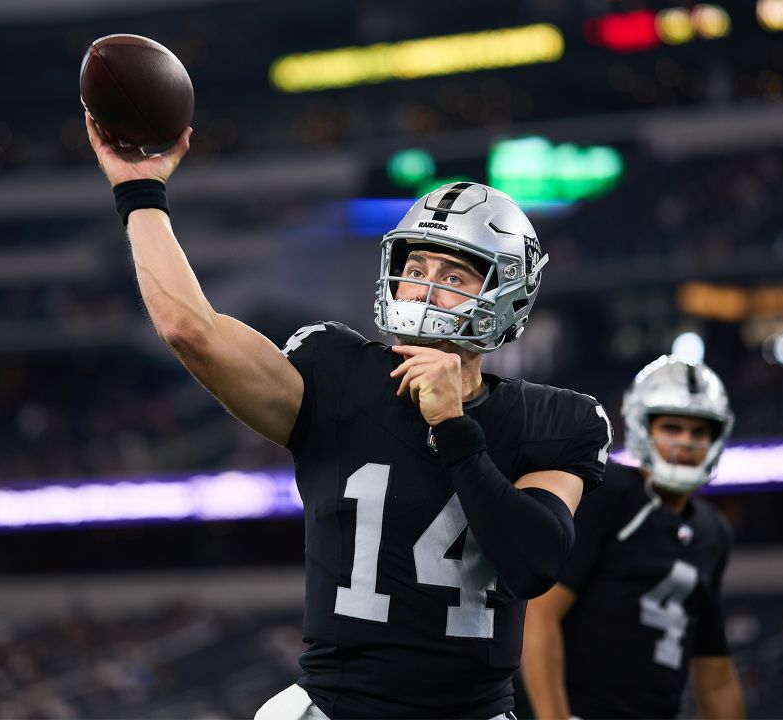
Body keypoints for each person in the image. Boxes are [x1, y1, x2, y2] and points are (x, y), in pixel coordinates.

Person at [86, 117, 612, 720]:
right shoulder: (335, 372)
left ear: (508, 295)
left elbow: (533, 562)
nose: (424, 290)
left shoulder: (554, 419)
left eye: (453, 276)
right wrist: (139, 194)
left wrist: (455, 428)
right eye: (416, 270)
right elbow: (191, 330)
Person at [517, 356, 746, 719]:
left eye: (699, 431)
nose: (686, 442)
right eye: (672, 427)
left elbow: (715, 674)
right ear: (643, 426)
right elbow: (537, 614)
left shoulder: (712, 530)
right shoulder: (611, 492)